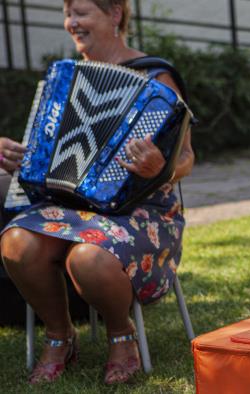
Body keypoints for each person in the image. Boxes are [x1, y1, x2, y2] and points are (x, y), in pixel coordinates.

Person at [0, 0, 195, 385]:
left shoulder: (157, 78)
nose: (72, 23)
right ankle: (59, 336)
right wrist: (16, 156)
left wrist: (161, 167)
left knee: (88, 258)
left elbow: (187, 157)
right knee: (16, 243)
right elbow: (46, 152)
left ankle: (122, 335)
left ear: (115, 15)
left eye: (82, 13)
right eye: (68, 14)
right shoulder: (63, 77)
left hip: (142, 211)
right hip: (68, 205)